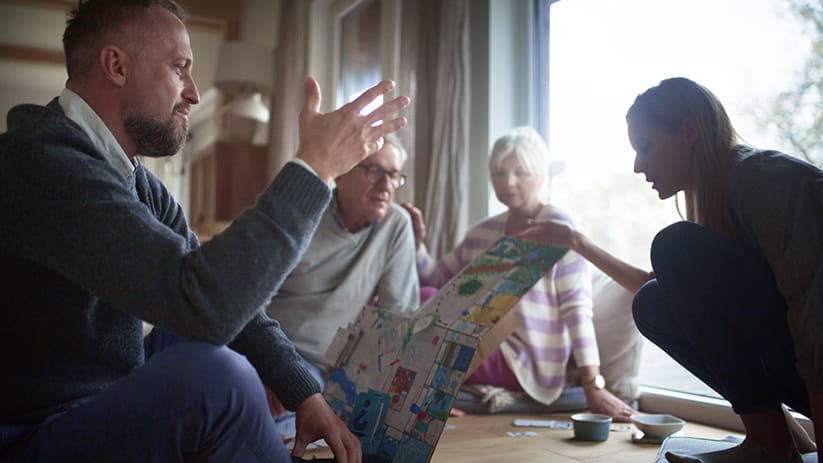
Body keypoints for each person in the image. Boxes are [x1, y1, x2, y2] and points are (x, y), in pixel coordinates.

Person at [0, 0, 410, 462]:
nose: (194, 92)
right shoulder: (41, 165)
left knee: (209, 342)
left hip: (96, 402)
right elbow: (204, 303)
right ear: (116, 65)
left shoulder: (136, 182)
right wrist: (314, 170)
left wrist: (303, 393)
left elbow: (229, 303)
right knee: (217, 377)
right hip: (31, 434)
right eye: (180, 68)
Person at [519, 77, 821, 463]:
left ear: (689, 131)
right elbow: (670, 293)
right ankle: (773, 443)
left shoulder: (766, 180)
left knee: (674, 246)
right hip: (797, 367)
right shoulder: (717, 198)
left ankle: (773, 445)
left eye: (645, 147)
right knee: (653, 303)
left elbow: (816, 324)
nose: (637, 165)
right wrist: (577, 242)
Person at [401, 126, 639, 422]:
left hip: (528, 360)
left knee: (424, 313)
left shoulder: (559, 229)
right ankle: (426, 392)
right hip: (478, 341)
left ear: (539, 174)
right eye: (500, 173)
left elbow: (576, 310)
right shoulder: (482, 232)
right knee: (420, 298)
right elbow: (436, 280)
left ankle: (424, 393)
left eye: (520, 172)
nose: (508, 182)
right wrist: (416, 243)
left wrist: (593, 385)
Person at [265, 132, 419, 438]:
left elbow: (398, 320)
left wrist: (411, 398)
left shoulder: (396, 225)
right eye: (374, 170)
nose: (386, 185)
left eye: (393, 174)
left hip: (320, 368)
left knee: (285, 416)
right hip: (268, 350)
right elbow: (250, 300)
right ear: (343, 174)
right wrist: (270, 366)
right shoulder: (302, 211)